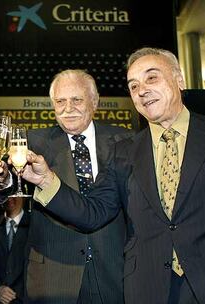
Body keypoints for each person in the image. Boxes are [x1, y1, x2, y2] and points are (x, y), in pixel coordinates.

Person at [20, 47, 205, 304]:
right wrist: (45, 180)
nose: (142, 90)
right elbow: (92, 213)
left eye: (151, 78)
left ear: (179, 80)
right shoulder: (125, 151)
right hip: (148, 290)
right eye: (133, 86)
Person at [25, 69, 130, 303]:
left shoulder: (126, 141)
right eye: (60, 101)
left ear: (94, 102)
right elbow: (6, 187)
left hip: (114, 271)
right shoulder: (33, 142)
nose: (68, 108)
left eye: (76, 100)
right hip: (54, 273)